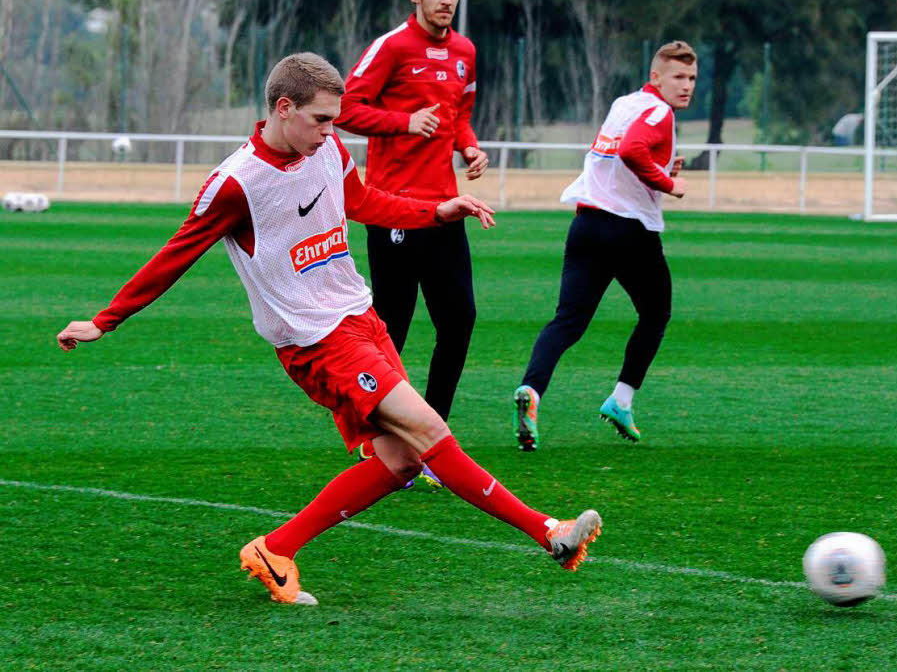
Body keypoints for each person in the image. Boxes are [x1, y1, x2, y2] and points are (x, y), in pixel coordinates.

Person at [56, 53, 601, 605]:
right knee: (429, 429)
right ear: (283, 107)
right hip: (315, 341)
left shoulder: (330, 149)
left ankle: (276, 547)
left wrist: (436, 212)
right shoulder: (235, 183)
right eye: (320, 119)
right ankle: (547, 532)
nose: (330, 131)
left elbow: (362, 201)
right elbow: (175, 253)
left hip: (362, 319)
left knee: (402, 459)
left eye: (334, 120)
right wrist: (105, 321)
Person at [336, 0, 487, 475]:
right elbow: (346, 109)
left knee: (459, 320)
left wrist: (468, 147)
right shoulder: (392, 47)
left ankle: (431, 436)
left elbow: (458, 115)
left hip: (445, 209)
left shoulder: (466, 51)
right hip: (394, 209)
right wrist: (403, 122)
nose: (447, 0)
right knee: (391, 330)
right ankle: (377, 436)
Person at [513, 41, 695, 451]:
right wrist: (670, 183)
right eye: (678, 77)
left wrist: (662, 165)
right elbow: (632, 151)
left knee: (567, 322)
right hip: (629, 232)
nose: (686, 86)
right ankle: (621, 400)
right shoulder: (660, 111)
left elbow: (618, 154)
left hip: (586, 224)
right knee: (656, 313)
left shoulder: (624, 103)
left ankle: (531, 392)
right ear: (656, 78)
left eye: (691, 78)